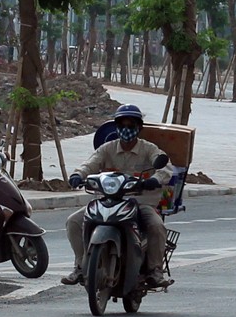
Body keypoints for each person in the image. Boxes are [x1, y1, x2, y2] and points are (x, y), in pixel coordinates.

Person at [61, 104, 173, 288]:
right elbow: (90, 164)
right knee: (73, 221)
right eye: (122, 125)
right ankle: (81, 267)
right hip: (107, 201)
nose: (126, 130)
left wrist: (155, 179)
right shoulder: (107, 149)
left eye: (131, 125)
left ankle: (155, 271)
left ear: (138, 128)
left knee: (156, 225)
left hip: (140, 203)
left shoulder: (149, 149)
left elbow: (165, 167)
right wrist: (77, 175)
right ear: (116, 127)